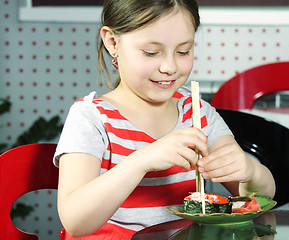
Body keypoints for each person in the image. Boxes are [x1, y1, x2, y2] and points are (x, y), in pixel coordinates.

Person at [54, 0, 276, 239]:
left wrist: (251, 171)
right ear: (112, 42)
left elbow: (259, 197)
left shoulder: (197, 113)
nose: (170, 66)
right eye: (151, 52)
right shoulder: (91, 118)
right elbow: (75, 221)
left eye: (183, 51)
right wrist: (142, 161)